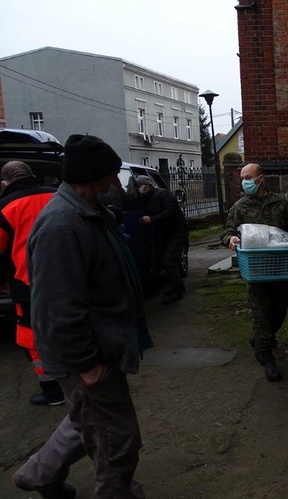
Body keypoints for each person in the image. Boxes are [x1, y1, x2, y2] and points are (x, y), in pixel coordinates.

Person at [12, 134, 153, 498]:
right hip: (86, 357)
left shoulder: (90, 213)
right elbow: (56, 307)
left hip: (101, 346)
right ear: (93, 177)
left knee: (86, 420)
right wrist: (86, 366)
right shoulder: (62, 224)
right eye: (111, 174)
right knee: (117, 440)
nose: (114, 182)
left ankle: (39, 475)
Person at [221, 163, 288, 382]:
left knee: (281, 307)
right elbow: (227, 232)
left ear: (261, 178)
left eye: (248, 177)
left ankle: (261, 338)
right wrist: (231, 239)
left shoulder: (279, 203)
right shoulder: (240, 206)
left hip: (279, 267)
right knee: (261, 313)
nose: (244, 182)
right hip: (256, 268)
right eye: (242, 177)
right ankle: (266, 356)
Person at [0, 161, 63, 406]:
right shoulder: (58, 196)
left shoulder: (6, 207)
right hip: (66, 278)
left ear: (5, 182)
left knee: (32, 337)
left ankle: (52, 390)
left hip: (27, 284)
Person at [134, 174, 188, 304]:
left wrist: (152, 219)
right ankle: (178, 286)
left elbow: (170, 211)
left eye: (140, 186)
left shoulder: (163, 194)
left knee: (169, 260)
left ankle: (177, 292)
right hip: (164, 232)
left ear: (147, 185)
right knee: (163, 260)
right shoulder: (145, 197)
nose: (139, 189)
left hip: (177, 231)